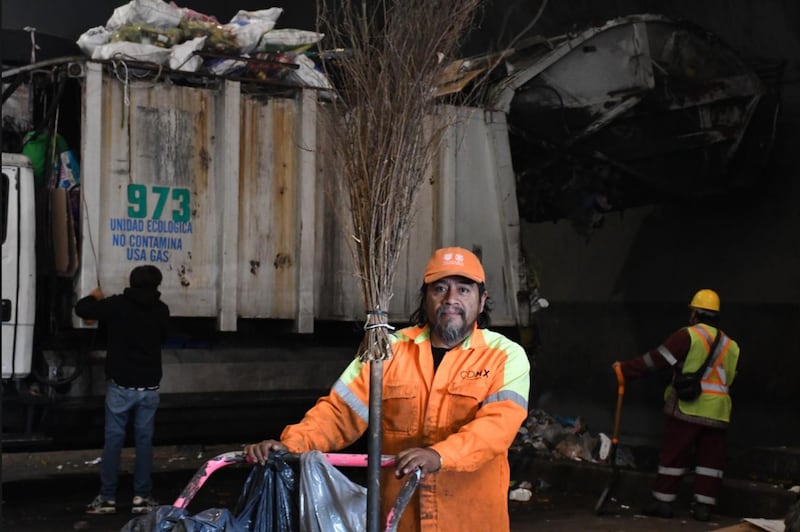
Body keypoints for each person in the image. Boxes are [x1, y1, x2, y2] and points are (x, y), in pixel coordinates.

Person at [244, 246, 531, 531]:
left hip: (471, 523)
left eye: (464, 290)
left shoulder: (505, 356)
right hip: (398, 521)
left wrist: (440, 455)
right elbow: (338, 413)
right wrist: (290, 445)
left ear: (482, 301)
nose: (450, 299)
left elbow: (496, 428)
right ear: (425, 297)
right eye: (439, 288)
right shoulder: (387, 350)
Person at [613, 289, 740, 522]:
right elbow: (729, 378)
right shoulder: (731, 345)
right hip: (718, 412)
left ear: (695, 314)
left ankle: (663, 501)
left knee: (674, 454)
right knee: (711, 461)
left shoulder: (688, 336)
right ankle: (704, 507)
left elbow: (656, 359)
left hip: (688, 408)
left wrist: (626, 370)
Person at [74, 265, 170, 515]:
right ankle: (142, 497)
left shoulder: (117, 305)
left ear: (131, 281)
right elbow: (163, 338)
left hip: (120, 387)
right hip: (148, 387)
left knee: (113, 442)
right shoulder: (161, 310)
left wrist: (95, 296)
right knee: (144, 442)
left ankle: (107, 499)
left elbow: (82, 309)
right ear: (156, 284)